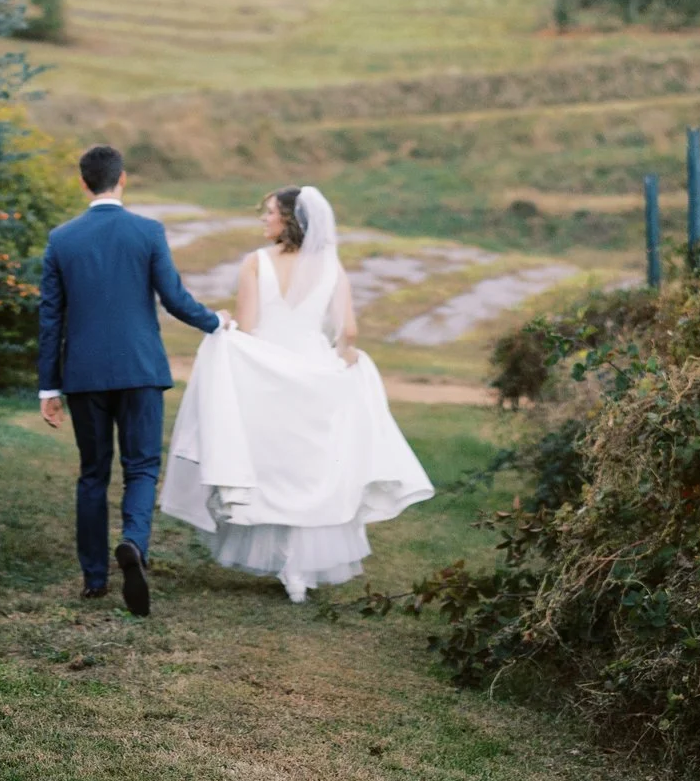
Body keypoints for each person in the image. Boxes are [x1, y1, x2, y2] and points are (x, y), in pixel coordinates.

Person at [162, 185, 433, 601]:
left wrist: (226, 331)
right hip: (314, 371)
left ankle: (284, 561)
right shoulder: (330, 266)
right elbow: (349, 330)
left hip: (267, 373)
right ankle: (300, 570)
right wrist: (345, 356)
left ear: (288, 219)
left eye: (269, 212)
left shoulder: (256, 262)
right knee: (310, 470)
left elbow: (248, 328)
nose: (263, 218)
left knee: (273, 468)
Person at [38, 143, 224, 616]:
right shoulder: (148, 231)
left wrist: (49, 387)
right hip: (141, 370)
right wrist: (217, 323)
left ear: (84, 184)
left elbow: (50, 318)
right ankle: (134, 543)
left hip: (83, 375)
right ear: (122, 179)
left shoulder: (62, 239)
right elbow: (174, 298)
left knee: (93, 473)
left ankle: (94, 579)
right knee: (141, 467)